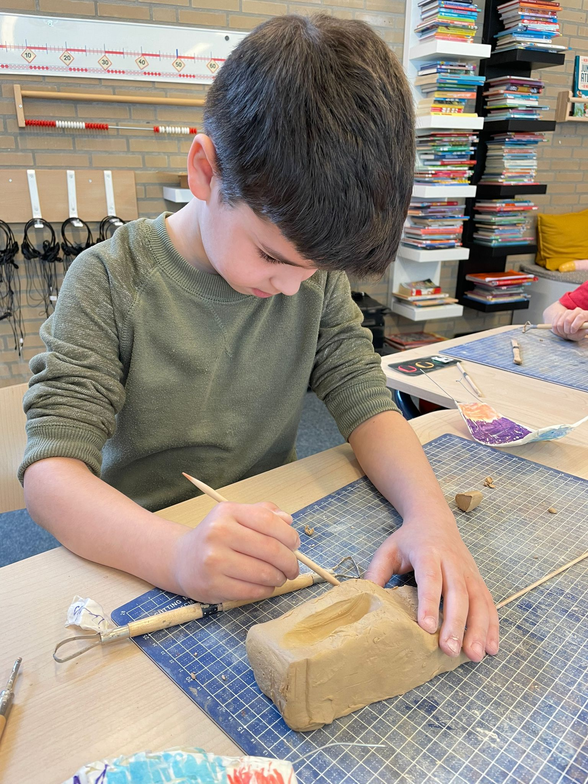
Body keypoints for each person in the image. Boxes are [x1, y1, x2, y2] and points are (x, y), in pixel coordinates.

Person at [19, 15, 498, 663]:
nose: (293, 287)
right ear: (204, 171)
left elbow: (365, 400)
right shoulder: (109, 279)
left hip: (270, 535)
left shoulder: (309, 277)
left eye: (314, 270)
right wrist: (176, 555)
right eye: (272, 256)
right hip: (136, 551)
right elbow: (50, 476)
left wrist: (431, 519)